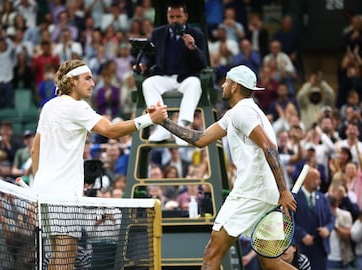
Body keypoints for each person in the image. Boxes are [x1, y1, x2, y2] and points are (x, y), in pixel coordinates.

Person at [31, 59, 167, 270]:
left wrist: (38, 182)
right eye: (87, 78)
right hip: (63, 194)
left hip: (43, 191)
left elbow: (34, 150)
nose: (93, 83)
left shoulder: (48, 107)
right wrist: (149, 119)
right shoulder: (77, 107)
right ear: (72, 81)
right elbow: (111, 131)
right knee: (65, 254)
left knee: (58, 252)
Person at [160, 64, 297, 269]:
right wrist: (164, 122)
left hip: (252, 192)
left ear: (234, 87)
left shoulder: (243, 112)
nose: (223, 85)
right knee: (270, 263)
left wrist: (284, 191)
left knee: (211, 254)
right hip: (266, 193)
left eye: (226, 81)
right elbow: (200, 139)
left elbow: (269, 147)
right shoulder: (238, 113)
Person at [137, 1, 207, 145]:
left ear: (185, 16)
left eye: (178, 16)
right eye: (172, 17)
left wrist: (193, 49)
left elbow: (202, 64)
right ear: (168, 17)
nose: (175, 20)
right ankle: (162, 124)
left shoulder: (196, 34)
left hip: (186, 78)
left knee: (195, 84)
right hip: (165, 77)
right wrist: (144, 64)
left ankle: (181, 126)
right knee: (148, 83)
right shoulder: (158, 33)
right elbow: (150, 55)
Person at [294, 167, 335, 270]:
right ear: (306, 179)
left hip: (321, 249)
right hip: (301, 248)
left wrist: (327, 229)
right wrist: (302, 235)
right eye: (316, 178)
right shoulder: (293, 197)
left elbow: (331, 218)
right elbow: (288, 221)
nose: (319, 181)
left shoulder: (322, 198)